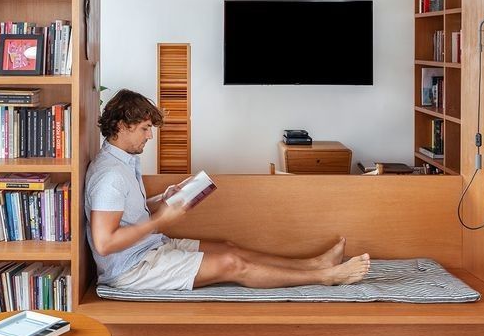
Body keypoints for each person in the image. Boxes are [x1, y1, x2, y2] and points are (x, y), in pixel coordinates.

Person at [85, 88, 371, 292]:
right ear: (122, 125)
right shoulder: (110, 175)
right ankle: (327, 277)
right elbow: (105, 243)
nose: (150, 136)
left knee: (228, 248)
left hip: (148, 247)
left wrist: (163, 198)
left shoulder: (123, 162)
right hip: (131, 269)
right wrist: (160, 220)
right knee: (233, 264)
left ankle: (315, 263)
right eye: (145, 128)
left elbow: (123, 212)